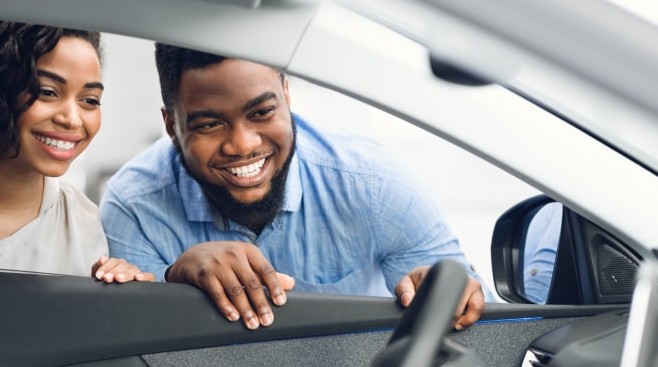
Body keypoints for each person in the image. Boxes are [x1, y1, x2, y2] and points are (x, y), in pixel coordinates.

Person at [100, 44, 492, 330]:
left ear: (287, 97)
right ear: (172, 126)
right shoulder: (134, 206)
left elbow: (485, 322)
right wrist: (174, 278)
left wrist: (452, 295)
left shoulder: (374, 185)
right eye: (210, 124)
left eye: (262, 112)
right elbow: (129, 351)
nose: (243, 145)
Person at [0, 17, 152, 283]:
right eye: (48, 92)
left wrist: (123, 294)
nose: (72, 119)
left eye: (90, 100)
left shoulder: (84, 228)